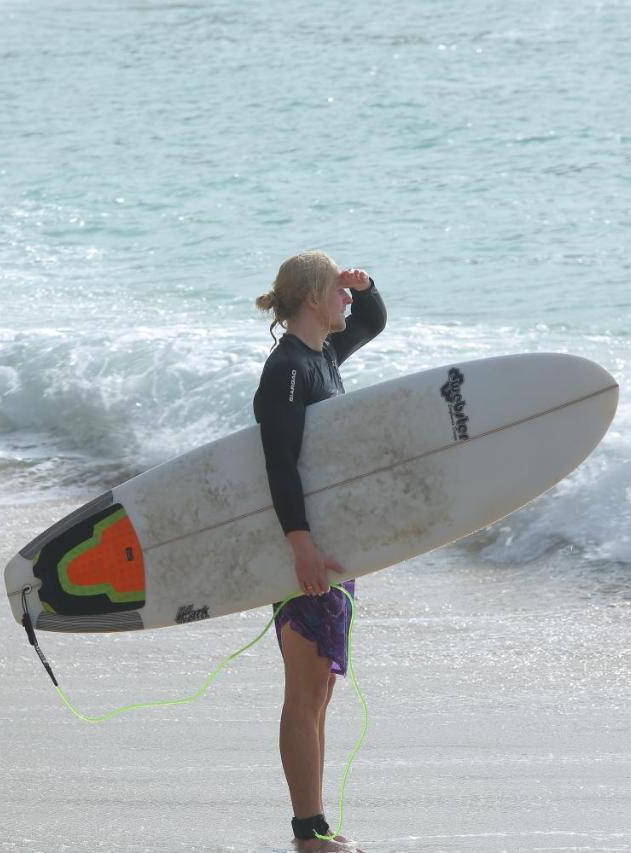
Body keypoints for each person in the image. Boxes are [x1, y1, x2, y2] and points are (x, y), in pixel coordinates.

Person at [253, 250, 386, 852]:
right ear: (312, 298)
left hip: (329, 551)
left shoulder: (322, 356)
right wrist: (301, 548)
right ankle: (307, 831)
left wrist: (366, 283)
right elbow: (278, 463)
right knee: (303, 688)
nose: (346, 301)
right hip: (301, 549)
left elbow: (373, 320)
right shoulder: (286, 369)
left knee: (321, 689)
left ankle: (317, 821)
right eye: (338, 290)